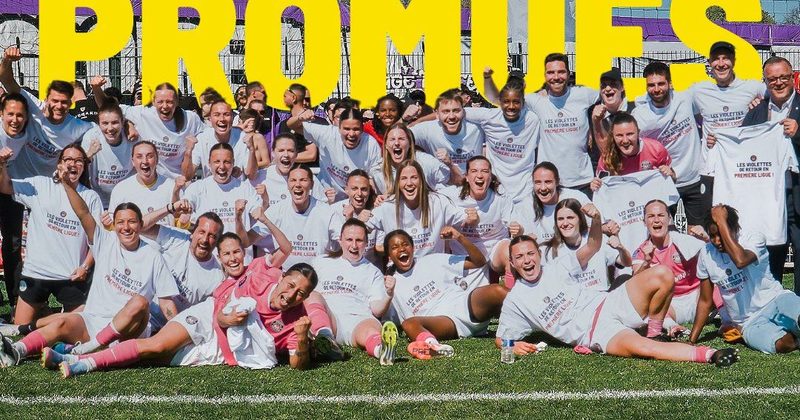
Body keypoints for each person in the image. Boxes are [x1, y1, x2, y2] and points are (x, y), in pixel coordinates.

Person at [36, 235, 318, 376]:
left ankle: (72, 353)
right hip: (208, 317)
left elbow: (297, 365)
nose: (292, 295)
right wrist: (222, 318)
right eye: (291, 285)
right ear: (283, 277)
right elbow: (222, 306)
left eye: (301, 294)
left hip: (221, 350)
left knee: (152, 359)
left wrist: (304, 339)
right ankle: (79, 363)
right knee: (156, 345)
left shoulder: (297, 319)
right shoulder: (262, 272)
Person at [0, 162, 179, 366]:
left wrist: (175, 327)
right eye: (120, 222)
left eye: (131, 222)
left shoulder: (153, 255)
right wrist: (67, 185)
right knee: (61, 322)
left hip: (128, 330)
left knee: (139, 302)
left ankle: (87, 349)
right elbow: (83, 213)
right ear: (114, 225)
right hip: (93, 320)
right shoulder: (105, 241)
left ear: (140, 224)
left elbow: (166, 302)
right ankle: (16, 350)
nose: (126, 227)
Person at [497, 234, 739, 367]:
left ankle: (654, 330)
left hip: (610, 302)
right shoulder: (516, 300)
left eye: (530, 253)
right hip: (597, 332)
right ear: (513, 263)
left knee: (663, 273)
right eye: (519, 257)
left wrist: (596, 218)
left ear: (539, 255)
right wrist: (510, 345)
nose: (527, 260)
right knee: (647, 350)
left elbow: (592, 244)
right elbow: (501, 338)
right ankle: (710, 354)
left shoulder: (558, 266)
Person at [0, 145, 102, 327]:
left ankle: (43, 321)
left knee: (83, 325)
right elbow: (6, 187)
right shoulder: (40, 185)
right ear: (59, 164)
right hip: (36, 273)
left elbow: (97, 239)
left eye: (78, 160)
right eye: (68, 160)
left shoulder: (91, 197)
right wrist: (2, 164)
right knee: (18, 327)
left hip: (70, 275)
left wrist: (85, 268)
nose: (73, 164)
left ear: (84, 167)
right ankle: (45, 315)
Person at [690, 205, 800, 354]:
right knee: (782, 345)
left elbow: (740, 261)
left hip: (776, 300)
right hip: (748, 323)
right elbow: (705, 301)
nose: (716, 241)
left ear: (735, 228)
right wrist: (691, 340)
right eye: (712, 236)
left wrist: (722, 221)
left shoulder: (753, 239)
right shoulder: (706, 253)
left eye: (720, 234)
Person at [384, 228, 508, 360]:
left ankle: (531, 311)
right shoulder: (390, 284)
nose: (402, 249)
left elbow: (479, 262)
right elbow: (383, 315)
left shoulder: (432, 260)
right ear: (389, 256)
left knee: (496, 290)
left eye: (405, 244)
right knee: (409, 323)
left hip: (465, 305)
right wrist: (388, 293)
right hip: (445, 323)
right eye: (395, 247)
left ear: (413, 247)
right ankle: (433, 346)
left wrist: (459, 237)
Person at [733, 56, 800, 291]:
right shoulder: (755, 113)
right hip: (768, 201)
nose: (779, 83)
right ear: (765, 82)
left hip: (797, 196)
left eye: (784, 77)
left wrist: (799, 133)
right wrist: (717, 141)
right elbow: (740, 149)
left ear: (793, 78)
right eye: (772, 79)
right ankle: (772, 313)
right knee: (771, 263)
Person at [311, 219, 398, 365]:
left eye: (359, 240)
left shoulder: (372, 271)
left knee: (371, 329)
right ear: (340, 240)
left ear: (366, 243)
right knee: (313, 296)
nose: (354, 245)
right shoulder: (320, 262)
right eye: (349, 239)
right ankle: (325, 340)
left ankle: (381, 350)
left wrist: (389, 294)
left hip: (356, 318)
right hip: (327, 318)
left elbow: (377, 310)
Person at [631, 62, 707, 228]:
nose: (656, 89)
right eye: (651, 85)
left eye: (661, 84)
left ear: (670, 84)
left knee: (699, 232)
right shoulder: (640, 116)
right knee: (671, 234)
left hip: (694, 179)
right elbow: (632, 148)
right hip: (665, 183)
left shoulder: (685, 99)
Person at [0, 47, 93, 178]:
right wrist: (7, 59)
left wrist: (128, 124)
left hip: (46, 189)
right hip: (16, 183)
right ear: (46, 100)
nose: (59, 106)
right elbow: (6, 79)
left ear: (71, 104)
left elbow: (108, 125)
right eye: (54, 101)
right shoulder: (34, 106)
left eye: (64, 102)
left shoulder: (78, 127)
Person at [367, 160, 477, 257]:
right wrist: (362, 218)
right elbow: (362, 227)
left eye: (414, 178)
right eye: (404, 178)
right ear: (398, 183)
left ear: (421, 180)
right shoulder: (387, 206)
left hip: (433, 268)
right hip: (402, 270)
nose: (409, 183)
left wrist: (471, 218)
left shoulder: (438, 201)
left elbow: (468, 219)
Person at [440, 156, 518, 291]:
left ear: (491, 176)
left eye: (485, 171)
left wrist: (518, 229)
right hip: (464, 252)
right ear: (466, 177)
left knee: (510, 250)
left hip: (494, 249)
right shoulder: (451, 196)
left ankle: (511, 298)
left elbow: (513, 223)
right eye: (474, 171)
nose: (480, 175)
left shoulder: (501, 197)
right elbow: (429, 198)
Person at [633, 200, 711, 330]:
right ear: (644, 222)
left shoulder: (684, 240)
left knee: (715, 281)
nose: (656, 220)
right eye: (651, 216)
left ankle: (727, 322)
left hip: (698, 298)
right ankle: (672, 327)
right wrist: (647, 261)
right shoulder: (641, 251)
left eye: (661, 215)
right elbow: (636, 284)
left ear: (669, 219)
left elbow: (715, 259)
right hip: (671, 303)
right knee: (650, 303)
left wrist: (706, 239)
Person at [464, 78, 540, 204]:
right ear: (500, 102)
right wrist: (420, 121)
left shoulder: (533, 120)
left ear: (523, 103)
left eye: (516, 102)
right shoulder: (489, 116)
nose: (511, 106)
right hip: (495, 192)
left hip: (525, 194)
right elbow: (455, 112)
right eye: (506, 102)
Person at [249, 164, 339, 267]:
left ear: (312, 184)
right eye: (293, 180)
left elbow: (345, 240)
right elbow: (247, 240)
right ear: (287, 184)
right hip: (286, 276)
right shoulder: (277, 210)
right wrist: (238, 217)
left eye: (303, 180)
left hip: (319, 275)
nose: (298, 184)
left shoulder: (326, 211)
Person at [287, 107, 381, 201]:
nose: (351, 134)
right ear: (339, 128)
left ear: (362, 129)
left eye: (356, 129)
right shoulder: (328, 134)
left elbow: (374, 178)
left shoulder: (370, 144)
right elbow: (291, 125)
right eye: (347, 129)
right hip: (324, 197)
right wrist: (300, 118)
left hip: (356, 199)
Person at [116, 82, 205, 179]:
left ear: (176, 102)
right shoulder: (143, 114)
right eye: (160, 102)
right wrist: (127, 123)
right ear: (154, 102)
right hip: (149, 181)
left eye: (169, 102)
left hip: (177, 181)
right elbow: (110, 109)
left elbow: (210, 134)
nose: (165, 106)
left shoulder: (191, 119)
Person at [540, 200, 631, 291]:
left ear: (580, 219)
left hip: (602, 297)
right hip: (576, 303)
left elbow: (626, 263)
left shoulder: (599, 238)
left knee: (625, 279)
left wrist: (621, 249)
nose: (565, 223)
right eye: (560, 219)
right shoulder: (549, 251)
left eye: (570, 218)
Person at [0, 92, 36, 308]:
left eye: (19, 115)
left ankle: (15, 299)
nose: (15, 120)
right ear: (2, 114)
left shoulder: (27, 131)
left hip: (7, 186)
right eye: (10, 114)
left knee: (13, 243)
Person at [182, 143, 261, 237]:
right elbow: (182, 212)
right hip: (209, 250)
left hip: (238, 250)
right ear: (209, 163)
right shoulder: (197, 188)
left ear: (233, 163)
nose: (222, 166)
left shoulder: (245, 188)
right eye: (217, 161)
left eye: (227, 162)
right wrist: (185, 214)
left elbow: (259, 215)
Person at [590, 112, 675, 190]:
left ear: (638, 132)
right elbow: (601, 187)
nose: (625, 140)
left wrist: (670, 173)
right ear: (613, 136)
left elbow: (673, 179)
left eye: (630, 134)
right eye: (619, 135)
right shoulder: (607, 158)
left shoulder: (655, 149)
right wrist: (595, 185)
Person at [411, 89, 484, 179]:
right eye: (446, 111)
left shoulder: (477, 128)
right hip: (441, 188)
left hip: (474, 185)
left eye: (456, 111)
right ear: (437, 114)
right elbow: (392, 137)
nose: (451, 116)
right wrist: (404, 119)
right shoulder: (427, 129)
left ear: (463, 111)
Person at [512, 162, 590, 244]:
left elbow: (593, 228)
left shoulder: (576, 197)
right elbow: (522, 239)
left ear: (557, 182)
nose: (543, 188)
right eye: (538, 182)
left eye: (548, 182)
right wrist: (519, 233)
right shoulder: (527, 204)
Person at [108, 141, 181, 228]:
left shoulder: (172, 186)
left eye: (150, 156)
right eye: (139, 157)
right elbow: (114, 225)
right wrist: (108, 225)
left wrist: (183, 222)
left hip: (166, 240)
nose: (145, 161)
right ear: (133, 161)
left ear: (157, 160)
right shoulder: (121, 189)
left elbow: (181, 222)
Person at [182, 100, 259, 182]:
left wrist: (251, 150)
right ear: (210, 119)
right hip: (210, 190)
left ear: (233, 118)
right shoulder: (202, 138)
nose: (222, 119)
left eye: (226, 115)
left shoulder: (243, 138)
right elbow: (188, 176)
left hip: (237, 190)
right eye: (217, 115)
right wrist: (188, 151)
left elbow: (252, 176)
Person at [251, 133, 329, 208]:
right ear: (273, 153)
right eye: (281, 150)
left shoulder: (307, 176)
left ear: (296, 154)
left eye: (290, 151)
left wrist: (330, 201)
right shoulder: (260, 177)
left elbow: (323, 206)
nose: (286, 155)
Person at [81, 101, 134, 209]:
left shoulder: (132, 137)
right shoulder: (91, 137)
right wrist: (89, 154)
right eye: (105, 123)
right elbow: (79, 170)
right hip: (100, 201)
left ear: (122, 122)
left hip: (127, 200)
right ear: (98, 123)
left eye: (115, 122)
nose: (110, 128)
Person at [372, 122, 450, 195]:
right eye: (392, 139)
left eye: (401, 139)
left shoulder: (426, 162)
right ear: (385, 145)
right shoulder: (377, 171)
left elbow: (452, 181)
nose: (396, 143)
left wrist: (450, 164)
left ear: (410, 143)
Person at [589, 67, 636, 169]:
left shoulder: (636, 109)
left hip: (633, 167)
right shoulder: (591, 112)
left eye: (613, 84)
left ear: (622, 87)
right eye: (603, 86)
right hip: (604, 170)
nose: (608, 89)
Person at [331, 169, 380, 265]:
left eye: (364, 189)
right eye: (354, 188)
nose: (359, 194)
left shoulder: (376, 212)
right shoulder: (334, 211)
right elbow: (337, 249)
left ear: (369, 191)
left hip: (369, 268)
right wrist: (353, 221)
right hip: (342, 266)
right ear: (346, 190)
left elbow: (380, 249)